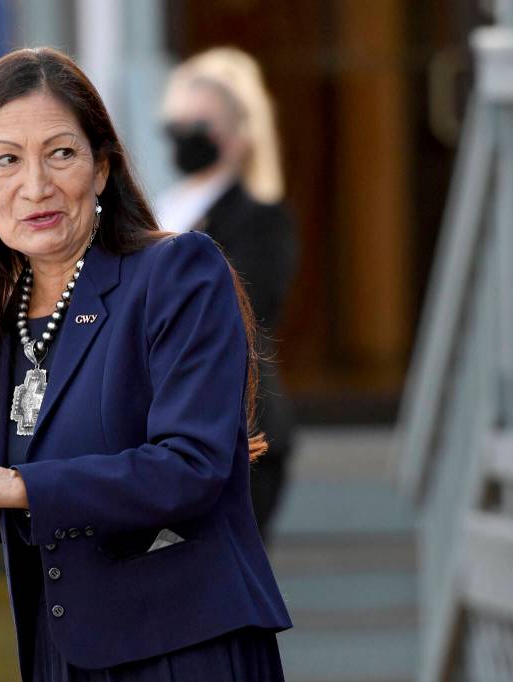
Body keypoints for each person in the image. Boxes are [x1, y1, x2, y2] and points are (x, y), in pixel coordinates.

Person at [0, 47, 291, 681]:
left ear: (101, 168)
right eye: (7, 160)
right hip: (62, 656)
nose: (36, 186)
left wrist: (12, 484)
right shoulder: (2, 319)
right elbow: (6, 488)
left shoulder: (177, 272)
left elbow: (192, 466)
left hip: (181, 649)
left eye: (60, 153)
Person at [156, 47, 298, 543]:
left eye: (202, 123)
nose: (186, 134)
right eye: (179, 121)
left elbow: (243, 309)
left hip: (235, 431)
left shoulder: (259, 217)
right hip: (169, 428)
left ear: (239, 133)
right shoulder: (162, 206)